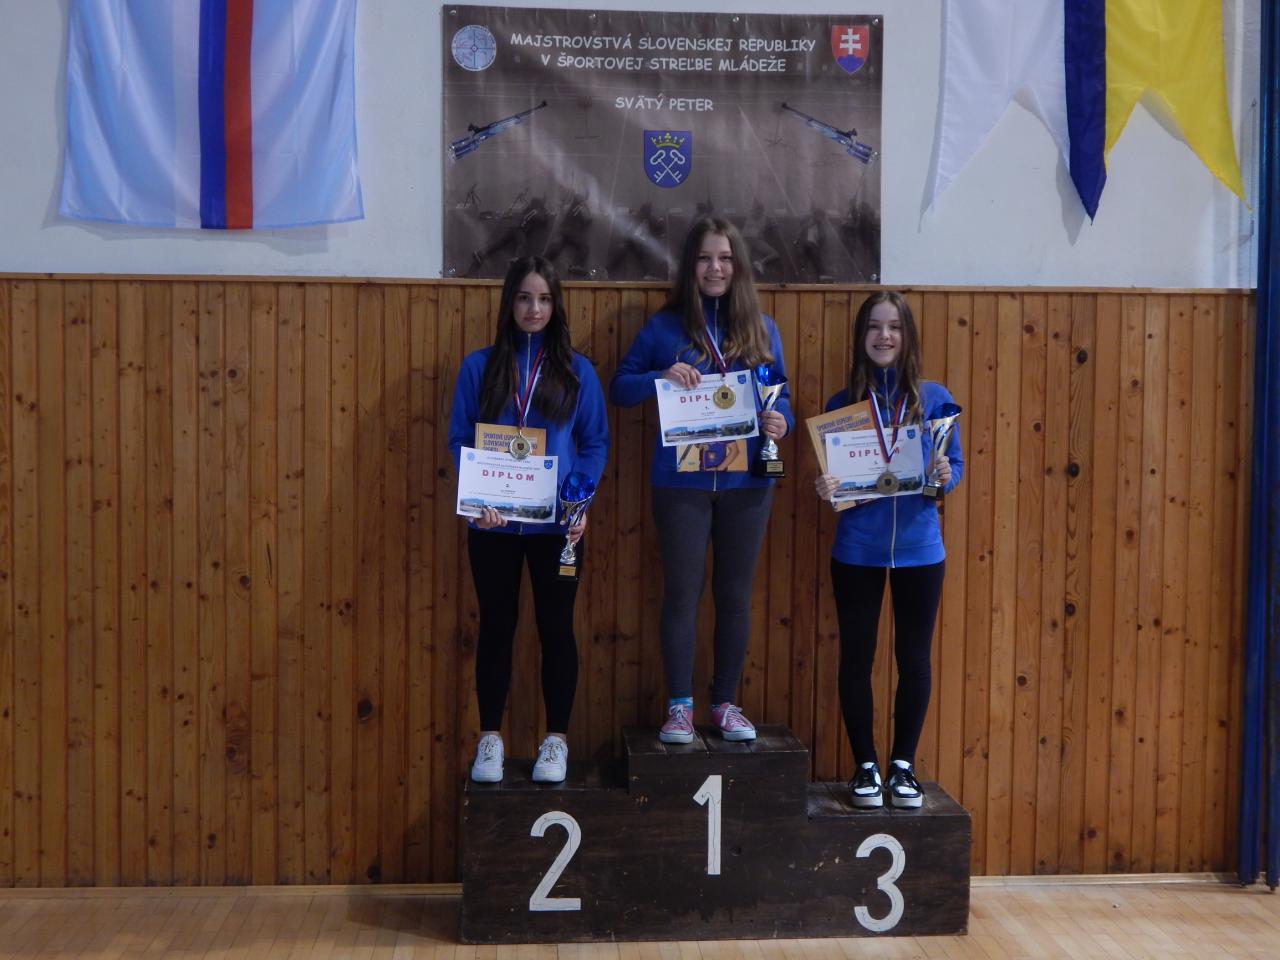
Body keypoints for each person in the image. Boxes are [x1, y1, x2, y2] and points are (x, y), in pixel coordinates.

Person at [610, 217, 792, 744]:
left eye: (725, 258)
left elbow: (782, 398)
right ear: (690, 265)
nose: (716, 268)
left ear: (738, 266)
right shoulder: (663, 328)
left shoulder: (762, 328)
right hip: (680, 483)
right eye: (706, 258)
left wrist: (782, 422)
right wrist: (659, 377)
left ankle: (725, 703)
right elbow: (620, 387)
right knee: (682, 595)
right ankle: (680, 707)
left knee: (734, 596)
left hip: (747, 484)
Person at [448, 256, 610, 783]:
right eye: (523, 297)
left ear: (555, 305)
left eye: (543, 299)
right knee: (496, 627)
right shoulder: (479, 367)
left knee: (556, 629)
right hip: (492, 525)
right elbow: (460, 439)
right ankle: (489, 739)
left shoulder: (577, 371)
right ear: (509, 303)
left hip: (558, 529)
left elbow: (595, 443)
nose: (533, 309)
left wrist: (579, 501)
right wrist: (477, 497)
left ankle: (555, 741)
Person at [813, 291, 963, 808]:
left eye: (894, 327)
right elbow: (835, 477)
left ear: (907, 335)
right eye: (875, 327)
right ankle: (865, 766)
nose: (884, 336)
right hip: (857, 550)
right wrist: (826, 486)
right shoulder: (842, 405)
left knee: (914, 659)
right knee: (857, 659)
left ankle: (903, 767)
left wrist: (946, 474)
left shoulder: (935, 399)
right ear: (861, 336)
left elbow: (955, 466)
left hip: (921, 550)